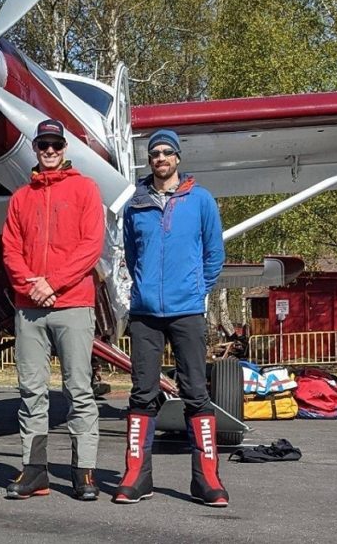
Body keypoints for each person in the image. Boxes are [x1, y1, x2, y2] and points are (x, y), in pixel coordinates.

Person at [115, 128, 228, 508]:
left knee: (196, 393)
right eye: (154, 154)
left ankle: (207, 478)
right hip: (146, 314)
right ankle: (136, 475)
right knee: (142, 394)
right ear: (150, 162)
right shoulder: (136, 203)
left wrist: (197, 290)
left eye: (166, 152)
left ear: (178, 158)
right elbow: (133, 254)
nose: (160, 158)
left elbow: (214, 254)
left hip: (188, 312)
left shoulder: (201, 200)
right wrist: (146, 288)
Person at [1, 119, 105, 501]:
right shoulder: (20, 198)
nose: (49, 151)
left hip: (73, 303)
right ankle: (35, 470)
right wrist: (32, 284)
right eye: (43, 144)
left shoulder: (85, 189)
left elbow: (91, 245)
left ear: (64, 149)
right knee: (31, 391)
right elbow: (10, 250)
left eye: (55, 144)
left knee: (79, 389)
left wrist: (53, 283)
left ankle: (84, 471)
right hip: (30, 308)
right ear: (35, 148)